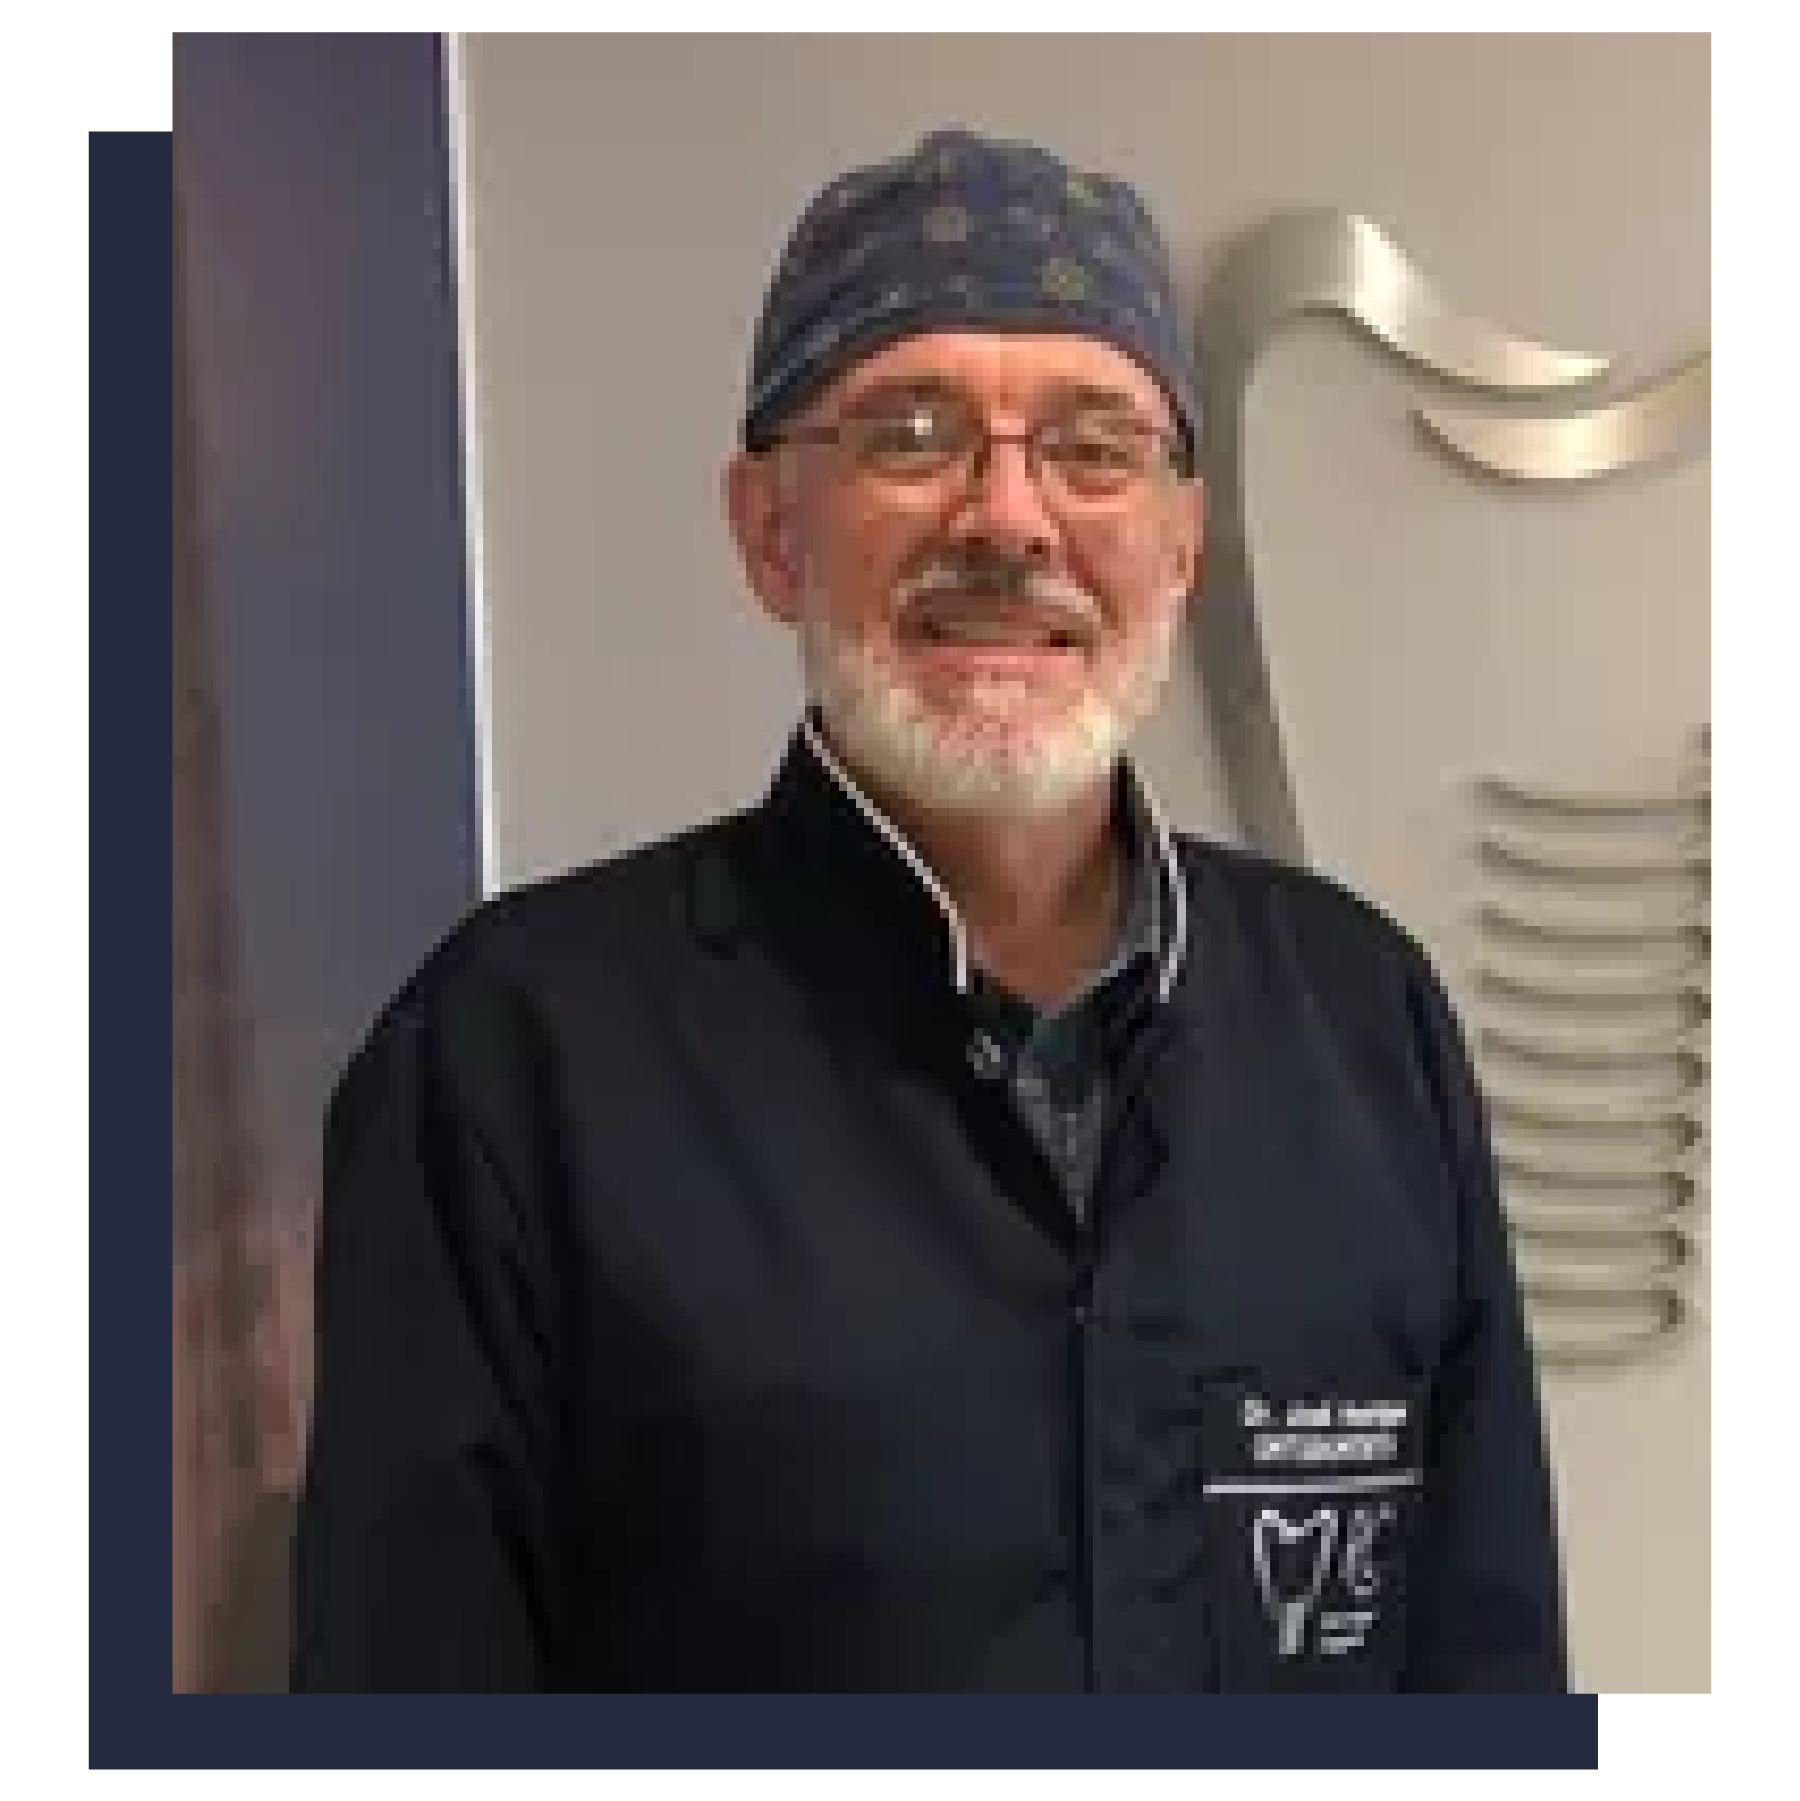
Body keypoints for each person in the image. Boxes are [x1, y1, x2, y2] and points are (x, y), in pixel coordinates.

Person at [290, 127, 1568, 1692]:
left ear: (1181, 544)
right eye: (912, 434)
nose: (1010, 519)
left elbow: (1491, 1671)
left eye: (1094, 448)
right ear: (770, 531)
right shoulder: (512, 1055)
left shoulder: (1367, 1023)